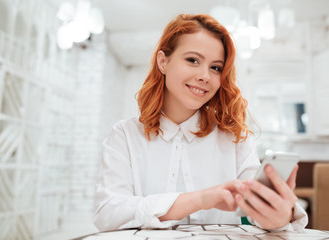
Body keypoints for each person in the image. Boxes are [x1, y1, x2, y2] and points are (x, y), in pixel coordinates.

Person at [94, 14, 308, 231]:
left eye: (215, 67)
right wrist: (202, 199)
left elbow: (256, 210)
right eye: (193, 60)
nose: (205, 76)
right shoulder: (125, 135)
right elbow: (108, 212)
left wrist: (280, 216)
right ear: (163, 61)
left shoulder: (235, 139)